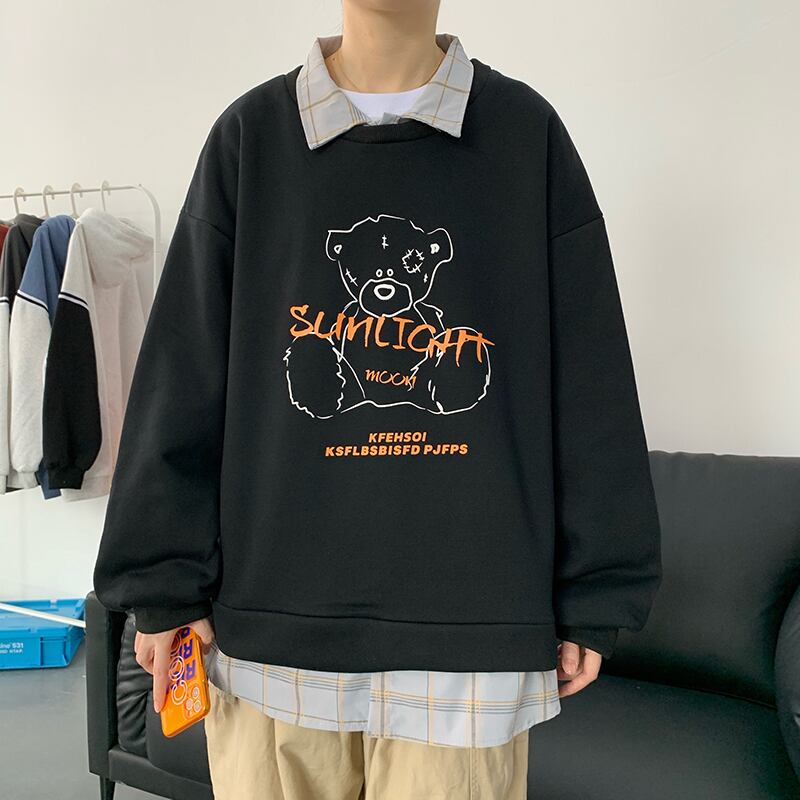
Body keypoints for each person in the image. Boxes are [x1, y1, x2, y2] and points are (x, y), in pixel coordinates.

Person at [95, 1, 663, 797]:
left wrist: (597, 586)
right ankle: (333, 379)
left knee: (453, 365)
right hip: (270, 637)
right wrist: (161, 583)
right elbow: (184, 374)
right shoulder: (251, 139)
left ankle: (437, 379)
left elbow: (590, 377)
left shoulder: (524, 136)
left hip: (469, 644)